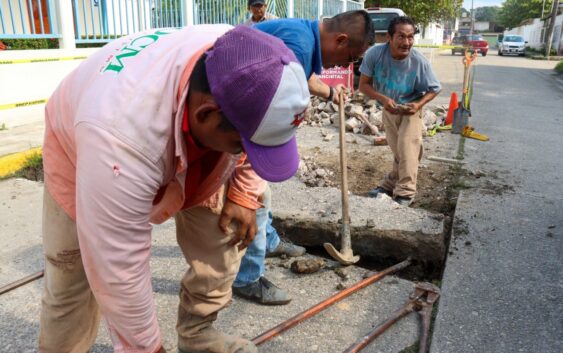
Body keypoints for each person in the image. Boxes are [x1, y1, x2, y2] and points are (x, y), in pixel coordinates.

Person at [38, 25, 310, 353]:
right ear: (206, 114)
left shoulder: (249, 60)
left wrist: (244, 193)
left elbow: (261, 133)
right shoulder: (117, 136)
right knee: (72, 280)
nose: (245, 153)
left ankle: (198, 334)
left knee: (223, 235)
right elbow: (118, 266)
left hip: (178, 135)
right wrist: (148, 348)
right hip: (82, 147)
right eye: (241, 146)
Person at [232, 10, 375, 305]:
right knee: (255, 196)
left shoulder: (303, 38)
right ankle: (247, 277)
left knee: (262, 194)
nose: (348, 65)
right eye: (351, 57)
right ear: (341, 39)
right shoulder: (298, 43)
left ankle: (268, 242)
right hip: (244, 126)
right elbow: (269, 111)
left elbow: (304, 75)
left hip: (241, 116)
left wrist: (329, 93)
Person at [359, 16, 441, 206]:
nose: (407, 43)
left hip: (410, 109)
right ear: (389, 37)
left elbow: (435, 88)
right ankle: (390, 183)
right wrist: (383, 99)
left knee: (408, 149)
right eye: (401, 37)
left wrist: (419, 105)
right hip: (388, 108)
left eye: (411, 37)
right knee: (398, 150)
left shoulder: (419, 61)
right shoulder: (375, 54)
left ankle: (405, 191)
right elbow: (364, 85)